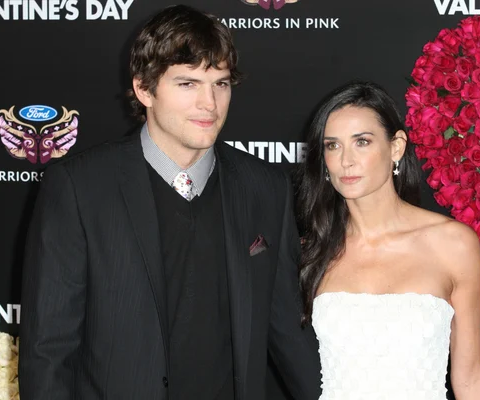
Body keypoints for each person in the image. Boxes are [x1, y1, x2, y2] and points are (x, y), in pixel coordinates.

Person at [18, 5, 321, 400]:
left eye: (221, 83)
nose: (209, 104)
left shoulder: (265, 186)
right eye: (187, 83)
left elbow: (286, 331)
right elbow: (48, 350)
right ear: (144, 88)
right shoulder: (80, 187)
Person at [296, 81, 480, 400]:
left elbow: (469, 377)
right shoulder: (313, 251)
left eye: (362, 142)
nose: (346, 160)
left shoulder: (453, 244)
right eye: (333, 145)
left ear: (397, 147)